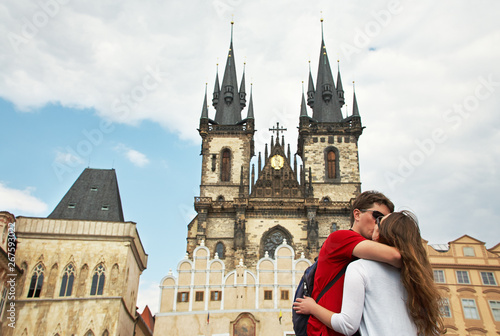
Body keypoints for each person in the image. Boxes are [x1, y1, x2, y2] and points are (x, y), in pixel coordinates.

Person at [293, 211, 444, 336]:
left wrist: (313, 308)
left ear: (381, 233)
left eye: (378, 222)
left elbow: (347, 325)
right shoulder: (413, 276)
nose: (373, 224)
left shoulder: (360, 267)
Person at [304, 191, 402, 336]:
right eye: (377, 216)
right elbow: (397, 256)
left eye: (385, 220)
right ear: (357, 215)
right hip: (328, 331)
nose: (379, 224)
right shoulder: (341, 237)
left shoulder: (370, 251)